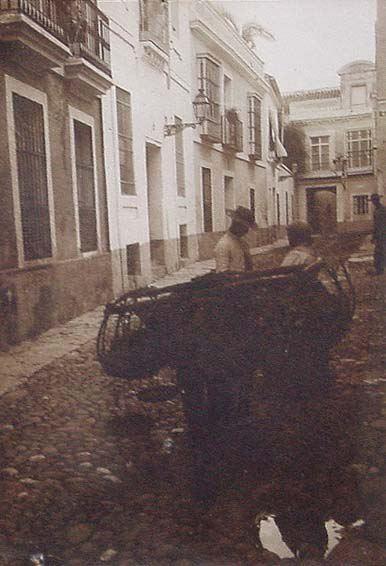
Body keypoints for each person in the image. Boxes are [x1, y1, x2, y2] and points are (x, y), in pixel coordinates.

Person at [214, 206, 257, 273]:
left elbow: (249, 267)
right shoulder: (224, 245)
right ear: (236, 225)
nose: (246, 231)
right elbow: (222, 273)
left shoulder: (243, 244)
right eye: (245, 227)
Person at [370, 193, 386, 275]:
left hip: (383, 235)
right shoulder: (376, 211)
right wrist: (374, 237)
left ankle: (380, 270)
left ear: (377, 200)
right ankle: (379, 269)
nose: (373, 202)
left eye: (375, 200)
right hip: (379, 235)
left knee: (381, 252)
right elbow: (375, 225)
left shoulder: (383, 210)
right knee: (378, 253)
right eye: (373, 200)